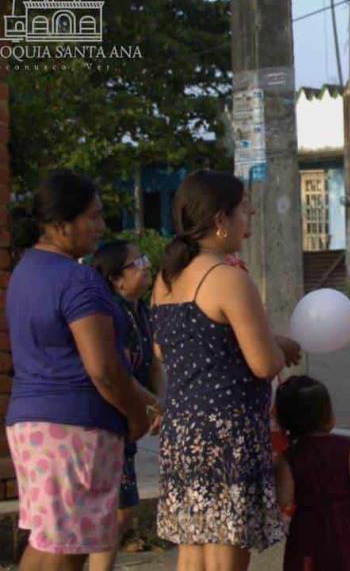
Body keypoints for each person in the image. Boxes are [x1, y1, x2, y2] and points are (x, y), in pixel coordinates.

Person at [152, 170, 302, 571]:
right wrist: (280, 346)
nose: (248, 220)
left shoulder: (166, 279)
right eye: (243, 211)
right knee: (225, 552)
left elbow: (163, 349)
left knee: (193, 548)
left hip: (182, 430)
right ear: (220, 220)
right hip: (226, 433)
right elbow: (264, 363)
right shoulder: (228, 279)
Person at [4, 171, 153, 570]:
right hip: (75, 429)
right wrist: (136, 415)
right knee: (65, 550)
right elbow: (104, 369)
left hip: (34, 426)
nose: (101, 227)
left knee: (51, 540)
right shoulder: (78, 281)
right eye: (93, 216)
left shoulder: (26, 271)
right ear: (60, 224)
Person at [89, 241, 164, 571]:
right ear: (117, 279)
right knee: (115, 509)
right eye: (138, 263)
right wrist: (148, 407)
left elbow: (154, 366)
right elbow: (113, 374)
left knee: (122, 508)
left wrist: (158, 404)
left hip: (132, 420)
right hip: (109, 421)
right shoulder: (112, 315)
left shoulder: (142, 312)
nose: (146, 266)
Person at [274, 375, 350, 570]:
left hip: (306, 529)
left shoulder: (289, 458)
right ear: (327, 415)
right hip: (345, 525)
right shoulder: (344, 448)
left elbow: (284, 499)